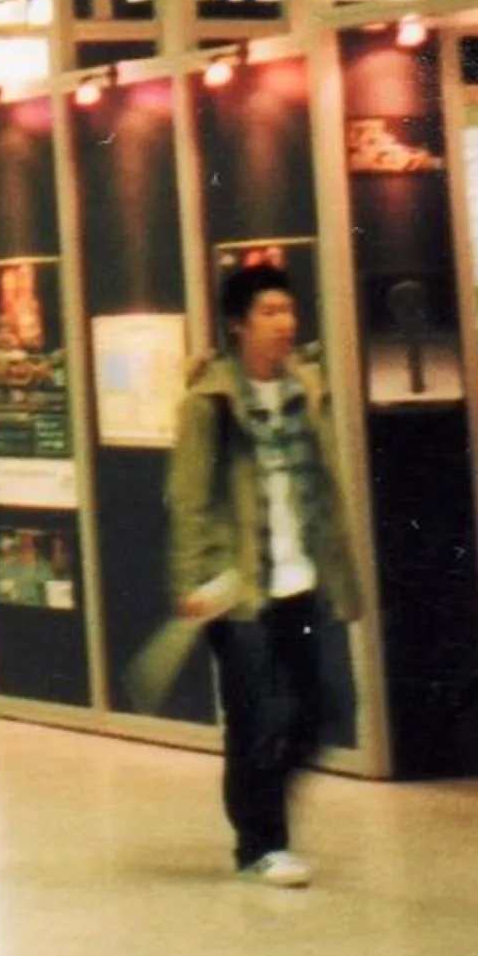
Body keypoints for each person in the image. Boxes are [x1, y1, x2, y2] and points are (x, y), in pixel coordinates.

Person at [167, 259, 363, 885]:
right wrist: (192, 579)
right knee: (256, 716)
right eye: (269, 313)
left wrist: (343, 574)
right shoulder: (210, 404)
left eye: (288, 311)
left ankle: (261, 809)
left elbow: (328, 492)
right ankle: (260, 844)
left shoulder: (307, 391)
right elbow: (190, 498)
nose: (285, 323)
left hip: (304, 579)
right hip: (240, 587)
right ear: (238, 325)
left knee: (327, 707)